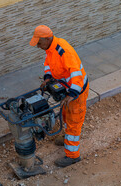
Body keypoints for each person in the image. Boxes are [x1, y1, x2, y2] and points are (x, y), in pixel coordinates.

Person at [29, 25, 89, 167]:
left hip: (76, 91)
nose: (38, 46)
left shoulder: (64, 51)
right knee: (65, 115)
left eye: (39, 43)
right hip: (66, 88)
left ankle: (73, 155)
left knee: (74, 121)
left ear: (48, 38)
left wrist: (72, 94)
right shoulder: (50, 49)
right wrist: (48, 77)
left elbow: (77, 75)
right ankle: (66, 137)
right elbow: (48, 64)